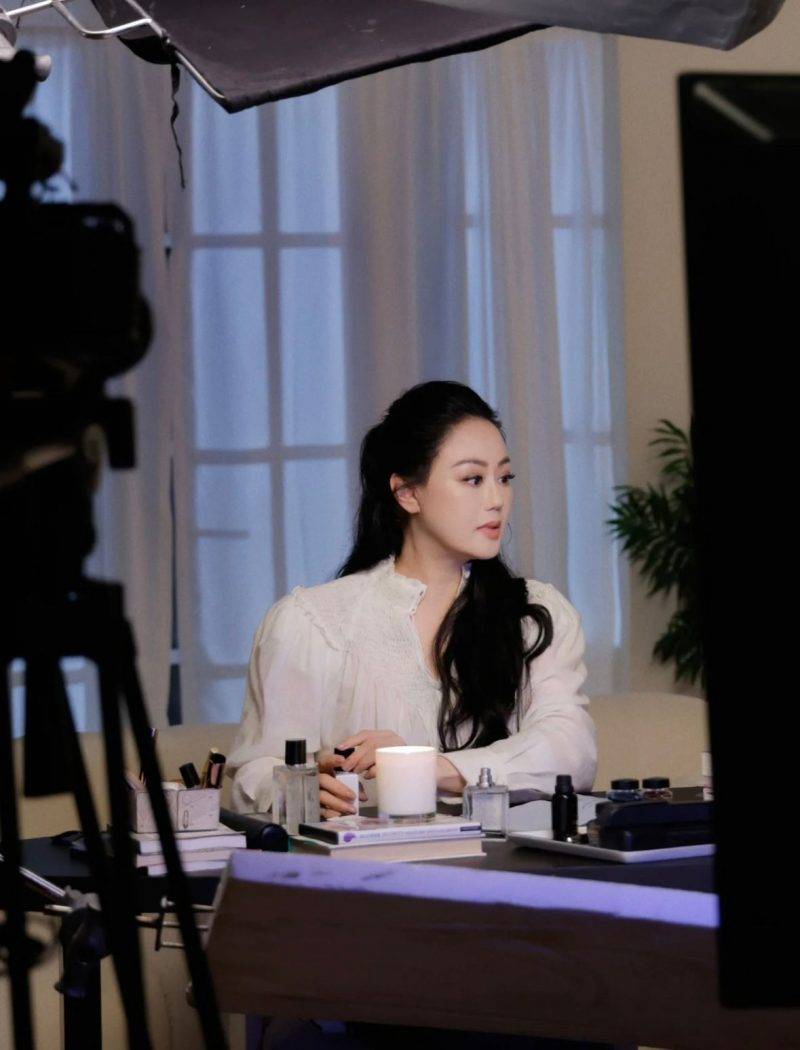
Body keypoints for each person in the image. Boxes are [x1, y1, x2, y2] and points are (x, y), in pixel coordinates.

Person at [228, 380, 596, 817]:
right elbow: (252, 776)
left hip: (506, 858)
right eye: (473, 479)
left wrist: (424, 766)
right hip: (363, 859)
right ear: (406, 493)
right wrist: (304, 790)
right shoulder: (313, 623)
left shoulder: (534, 614)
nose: (497, 499)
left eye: (504, 478)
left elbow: (571, 751)